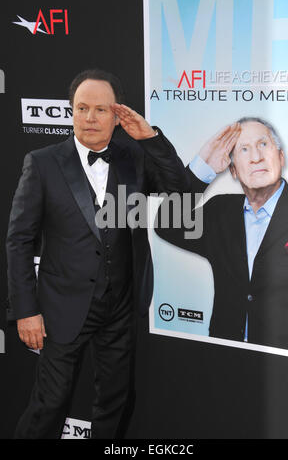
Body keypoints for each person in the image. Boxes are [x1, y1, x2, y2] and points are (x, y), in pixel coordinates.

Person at [6, 68, 189, 439]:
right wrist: (25, 310)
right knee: (50, 403)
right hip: (61, 307)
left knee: (116, 402)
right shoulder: (42, 163)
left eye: (100, 110)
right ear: (71, 111)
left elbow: (180, 191)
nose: (89, 118)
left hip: (120, 305)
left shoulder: (133, 157)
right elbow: (19, 240)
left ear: (117, 114)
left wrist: (150, 138)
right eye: (81, 108)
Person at [156, 117, 288, 350]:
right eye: (243, 149)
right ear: (233, 170)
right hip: (223, 355)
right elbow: (166, 224)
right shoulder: (220, 212)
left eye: (263, 145)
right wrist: (202, 169)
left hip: (284, 366)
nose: (256, 157)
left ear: (281, 157)